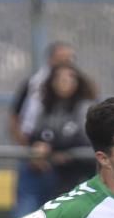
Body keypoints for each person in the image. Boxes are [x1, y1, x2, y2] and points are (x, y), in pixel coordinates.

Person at [9, 41, 77, 218]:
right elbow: (16, 119)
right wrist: (30, 151)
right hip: (32, 168)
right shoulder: (35, 87)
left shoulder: (78, 97)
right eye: (60, 59)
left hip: (60, 173)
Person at [29, 62, 97, 198]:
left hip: (81, 172)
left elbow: (85, 138)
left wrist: (55, 149)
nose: (64, 81)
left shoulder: (85, 106)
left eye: (70, 77)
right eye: (59, 78)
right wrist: (39, 146)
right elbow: (37, 134)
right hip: (52, 170)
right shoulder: (46, 107)